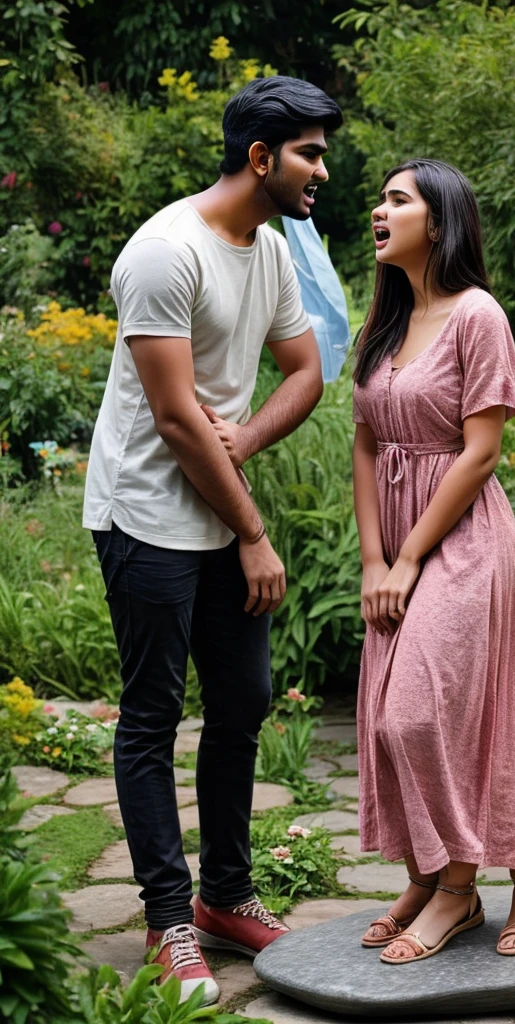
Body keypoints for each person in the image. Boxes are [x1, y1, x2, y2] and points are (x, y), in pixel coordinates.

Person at [83, 76, 342, 1004]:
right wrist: (256, 531)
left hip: (220, 508)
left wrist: (254, 436)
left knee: (243, 701)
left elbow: (306, 369)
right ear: (262, 158)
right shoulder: (164, 252)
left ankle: (228, 897)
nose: (323, 170)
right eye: (310, 153)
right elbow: (175, 420)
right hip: (149, 515)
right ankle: (168, 920)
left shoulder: (268, 248)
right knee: (152, 716)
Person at [352, 159, 515, 965]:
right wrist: (375, 560)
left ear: (438, 223)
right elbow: (367, 443)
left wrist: (406, 558)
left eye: (397, 200)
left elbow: (480, 453)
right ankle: (432, 870)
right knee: (383, 719)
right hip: (395, 546)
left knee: (421, 712)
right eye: (381, 199)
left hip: (465, 540)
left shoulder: (480, 316)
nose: (379, 209)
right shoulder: (387, 319)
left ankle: (469, 887)